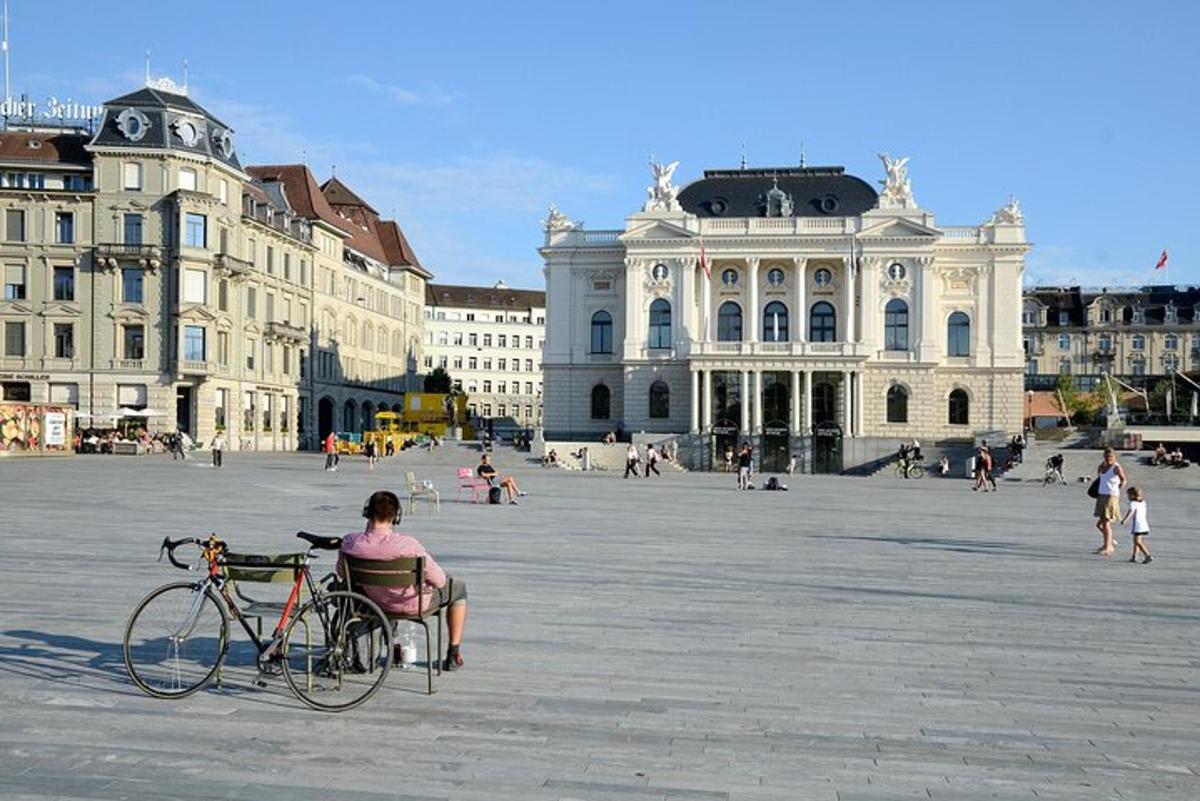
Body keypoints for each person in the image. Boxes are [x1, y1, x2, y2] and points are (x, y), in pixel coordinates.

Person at [339, 491, 468, 671]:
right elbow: (439, 581)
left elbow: (341, 572)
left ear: (367, 513)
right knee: (459, 588)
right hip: (412, 603)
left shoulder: (350, 542)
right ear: (396, 516)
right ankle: (454, 654)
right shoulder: (408, 545)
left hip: (374, 602)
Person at [1093, 447, 1127, 556]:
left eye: (1110, 456)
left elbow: (1124, 480)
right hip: (1101, 495)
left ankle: (1108, 547)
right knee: (1101, 523)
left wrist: (1120, 487)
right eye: (1106, 456)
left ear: (1114, 456)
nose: (1108, 458)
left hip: (1111, 496)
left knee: (1106, 522)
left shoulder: (1116, 467)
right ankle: (1108, 543)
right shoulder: (1101, 466)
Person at [1120, 486, 1152, 564]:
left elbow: (1131, 512)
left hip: (1138, 525)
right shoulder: (1143, 502)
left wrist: (1125, 520)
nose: (1127, 497)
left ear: (1133, 496)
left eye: (1128, 495)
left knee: (1137, 541)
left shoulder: (1133, 503)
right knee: (1137, 541)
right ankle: (1134, 556)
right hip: (1144, 524)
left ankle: (1147, 555)